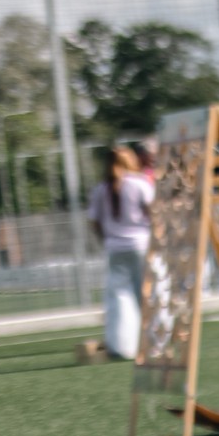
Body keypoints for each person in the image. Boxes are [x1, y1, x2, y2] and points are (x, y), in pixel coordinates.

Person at [87, 144, 154, 360]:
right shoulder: (139, 184)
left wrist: (107, 239)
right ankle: (153, 342)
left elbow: (94, 222)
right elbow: (154, 213)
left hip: (115, 249)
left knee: (118, 299)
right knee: (146, 295)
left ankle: (121, 346)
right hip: (141, 245)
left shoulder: (100, 189)